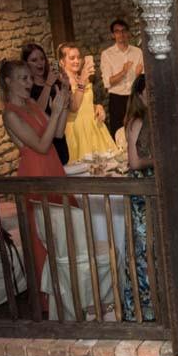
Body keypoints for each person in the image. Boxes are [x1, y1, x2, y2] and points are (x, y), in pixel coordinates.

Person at [0, 59, 70, 308]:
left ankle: (71, 293)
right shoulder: (10, 113)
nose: (30, 82)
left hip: (52, 166)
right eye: (24, 78)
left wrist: (61, 107)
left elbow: (57, 134)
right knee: (45, 238)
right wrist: (54, 112)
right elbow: (40, 146)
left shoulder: (31, 104)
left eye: (30, 78)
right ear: (9, 82)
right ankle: (53, 303)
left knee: (64, 233)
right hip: (35, 170)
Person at [122, 75, 155, 321]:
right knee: (142, 249)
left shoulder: (150, 118)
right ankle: (140, 308)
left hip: (152, 188)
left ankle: (155, 302)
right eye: (149, 90)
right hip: (142, 191)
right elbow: (134, 163)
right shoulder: (136, 121)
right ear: (140, 93)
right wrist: (161, 158)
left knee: (153, 248)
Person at [59, 43, 117, 161]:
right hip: (77, 131)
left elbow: (85, 103)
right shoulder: (62, 83)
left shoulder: (81, 77)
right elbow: (74, 107)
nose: (77, 61)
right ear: (62, 62)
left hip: (94, 127)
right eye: (72, 58)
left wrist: (97, 107)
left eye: (78, 57)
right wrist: (82, 81)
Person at [22, 43, 70, 164]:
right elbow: (36, 112)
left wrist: (66, 86)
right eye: (34, 60)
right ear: (25, 63)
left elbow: (66, 106)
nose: (40, 63)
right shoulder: (27, 87)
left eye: (42, 58)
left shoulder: (55, 81)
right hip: (43, 140)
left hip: (59, 136)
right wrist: (48, 84)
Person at [100, 19, 144, 138]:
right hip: (117, 99)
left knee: (139, 132)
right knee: (119, 134)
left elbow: (142, 80)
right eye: (117, 31)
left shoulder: (137, 52)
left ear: (128, 33)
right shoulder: (107, 54)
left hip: (134, 97)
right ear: (113, 35)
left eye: (124, 31)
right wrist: (123, 72)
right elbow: (108, 82)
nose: (121, 34)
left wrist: (139, 75)